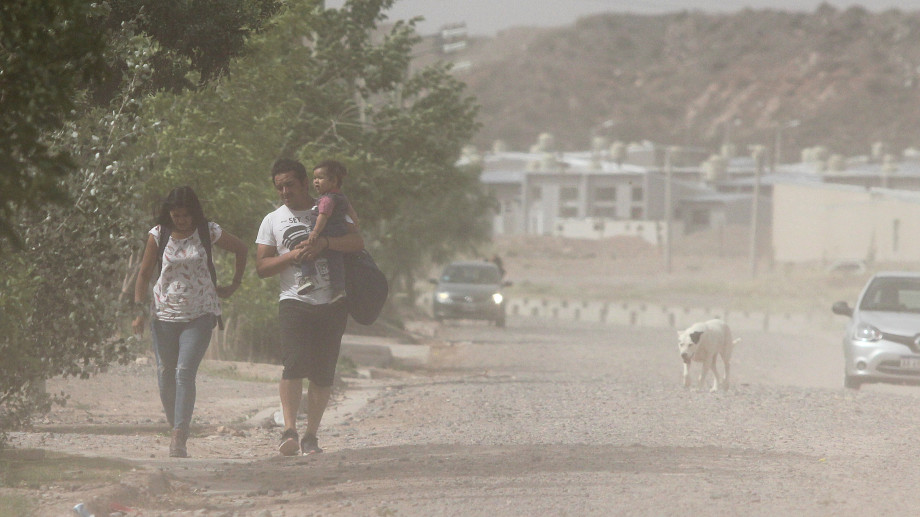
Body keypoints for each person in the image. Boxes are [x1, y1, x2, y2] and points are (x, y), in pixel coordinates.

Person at [255, 158, 364, 456]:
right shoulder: (272, 220)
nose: (285, 191)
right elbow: (262, 267)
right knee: (293, 365)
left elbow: (357, 242)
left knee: (323, 372)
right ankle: (289, 430)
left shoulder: (331, 205)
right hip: (294, 300)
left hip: (333, 301)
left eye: (290, 184)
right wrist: (293, 256)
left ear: (305, 182)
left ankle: (311, 435)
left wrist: (325, 244)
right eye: (279, 187)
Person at [132, 186, 248, 458]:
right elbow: (144, 274)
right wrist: (139, 311)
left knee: (184, 372)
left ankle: (178, 435)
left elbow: (241, 248)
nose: (181, 219)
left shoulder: (208, 231)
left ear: (194, 212)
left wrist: (234, 284)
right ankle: (177, 425)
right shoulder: (158, 235)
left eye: (185, 214)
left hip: (200, 314)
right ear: (169, 213)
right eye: (176, 214)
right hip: (164, 315)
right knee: (164, 373)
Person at [294, 160, 360, 297]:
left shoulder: (327, 199)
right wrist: (355, 225)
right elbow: (352, 213)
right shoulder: (342, 197)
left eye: (320, 178)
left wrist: (315, 232)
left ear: (334, 181)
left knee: (306, 251)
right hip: (337, 236)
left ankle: (307, 278)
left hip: (324, 232)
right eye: (314, 178)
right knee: (335, 262)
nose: (316, 182)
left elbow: (322, 216)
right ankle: (338, 289)